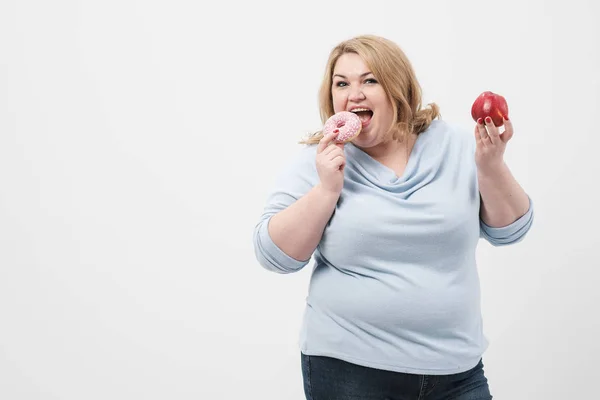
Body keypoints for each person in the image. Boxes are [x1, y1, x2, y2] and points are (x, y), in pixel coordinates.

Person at [253, 34, 533, 400]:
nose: (354, 94)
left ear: (398, 88)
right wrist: (326, 191)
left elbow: (510, 231)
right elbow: (273, 255)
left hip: (456, 372)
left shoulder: (457, 147)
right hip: (347, 370)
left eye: (370, 80)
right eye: (342, 83)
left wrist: (491, 166)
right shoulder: (321, 159)